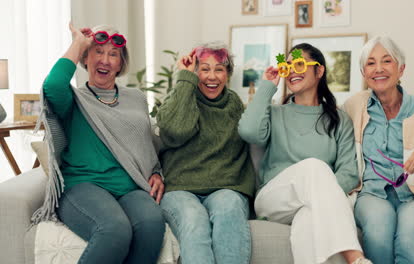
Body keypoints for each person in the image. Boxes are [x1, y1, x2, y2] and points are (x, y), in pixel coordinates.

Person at [32, 23, 166, 264]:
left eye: (113, 54)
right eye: (97, 51)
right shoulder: (74, 100)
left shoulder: (135, 99)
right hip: (83, 187)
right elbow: (51, 86)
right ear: (85, 58)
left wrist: (156, 172)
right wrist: (78, 43)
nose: (105, 60)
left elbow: (145, 145)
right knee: (114, 229)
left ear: (121, 63)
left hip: (130, 187)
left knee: (152, 223)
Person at [238, 43, 371, 264]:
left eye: (299, 64)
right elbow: (248, 131)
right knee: (315, 167)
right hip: (275, 200)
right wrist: (267, 86)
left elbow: (349, 173)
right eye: (286, 66)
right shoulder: (275, 113)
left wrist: (319, 195)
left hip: (313, 201)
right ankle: (355, 257)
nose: (291, 71)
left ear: (319, 71)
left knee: (309, 219)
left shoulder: (339, 120)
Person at [343, 35, 414, 264]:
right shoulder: (352, 107)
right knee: (378, 233)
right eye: (370, 63)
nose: (379, 69)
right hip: (372, 194)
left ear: (401, 69)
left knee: (410, 236)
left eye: (387, 61)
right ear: (363, 74)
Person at [156, 42, 256, 264]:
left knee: (229, 208)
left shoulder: (235, 104)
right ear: (194, 72)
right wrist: (184, 79)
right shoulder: (181, 97)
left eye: (219, 69)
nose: (212, 76)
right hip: (180, 189)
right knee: (194, 218)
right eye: (204, 69)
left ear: (228, 74)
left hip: (226, 188)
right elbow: (175, 130)